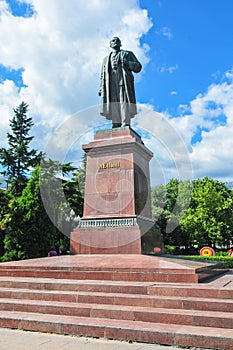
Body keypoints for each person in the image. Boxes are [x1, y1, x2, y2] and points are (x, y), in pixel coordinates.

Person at [99, 37, 142, 128]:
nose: (115, 42)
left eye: (117, 41)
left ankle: (125, 122)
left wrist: (128, 63)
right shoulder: (105, 60)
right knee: (113, 102)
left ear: (120, 44)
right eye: (113, 41)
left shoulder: (127, 54)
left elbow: (138, 67)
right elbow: (102, 75)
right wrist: (101, 88)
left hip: (124, 81)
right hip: (110, 84)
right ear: (110, 44)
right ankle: (116, 123)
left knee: (124, 102)